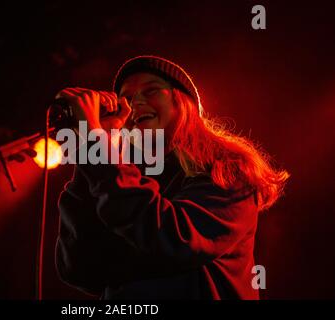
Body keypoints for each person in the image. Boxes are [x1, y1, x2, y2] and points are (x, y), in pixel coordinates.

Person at [54, 55, 289, 299]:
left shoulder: (228, 169)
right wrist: (93, 151)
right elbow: (80, 270)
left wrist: (99, 149)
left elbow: (171, 239)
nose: (135, 104)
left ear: (183, 102)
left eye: (151, 91)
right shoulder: (121, 180)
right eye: (126, 99)